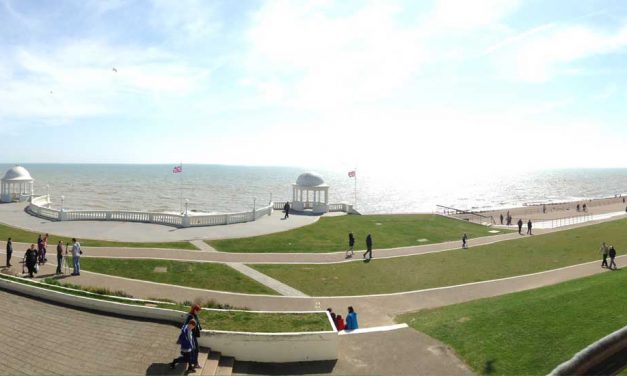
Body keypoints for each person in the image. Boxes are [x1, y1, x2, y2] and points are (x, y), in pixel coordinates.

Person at [185, 304, 203, 368]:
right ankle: (195, 363)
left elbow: (197, 323)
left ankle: (194, 362)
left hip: (194, 335)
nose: (199, 312)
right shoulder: (191, 317)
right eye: (198, 311)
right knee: (196, 350)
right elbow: (188, 326)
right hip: (192, 336)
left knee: (195, 349)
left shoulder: (194, 315)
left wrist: (200, 327)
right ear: (195, 310)